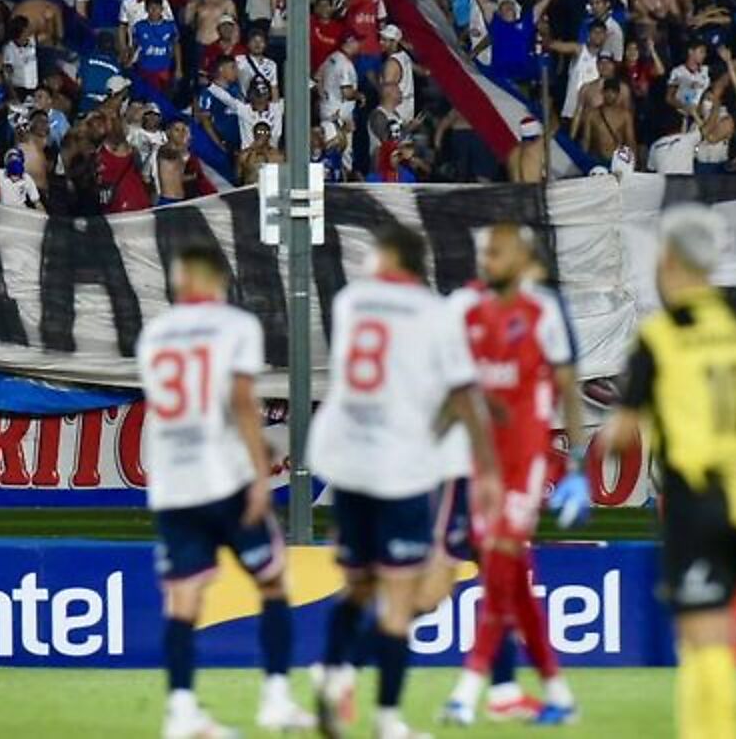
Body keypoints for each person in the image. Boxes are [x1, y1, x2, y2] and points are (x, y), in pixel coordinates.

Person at [601, 206, 736, 739]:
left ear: (669, 260)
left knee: (702, 630)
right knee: (713, 619)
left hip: (696, 499)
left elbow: (620, 433)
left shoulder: (661, 337)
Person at [307, 223, 499, 739]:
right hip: (401, 468)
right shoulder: (436, 315)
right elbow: (462, 397)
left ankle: (334, 669)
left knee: (358, 585)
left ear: (390, 259)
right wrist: (486, 467)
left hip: (349, 463)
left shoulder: (351, 303)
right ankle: (387, 719)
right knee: (400, 598)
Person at [136, 241, 314, 739]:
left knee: (183, 597)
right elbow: (240, 402)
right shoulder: (235, 326)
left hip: (173, 484)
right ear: (219, 280)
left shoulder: (155, 334)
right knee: (272, 582)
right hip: (223, 478)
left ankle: (181, 711)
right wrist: (259, 474)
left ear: (180, 280)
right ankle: (276, 699)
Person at [440, 224, 584, 728]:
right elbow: (457, 389)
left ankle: (466, 691)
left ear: (522, 257)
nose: (487, 260)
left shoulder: (544, 310)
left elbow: (568, 384)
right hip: (481, 462)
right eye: (484, 252)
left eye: (497, 253)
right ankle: (558, 694)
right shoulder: (464, 308)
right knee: (512, 581)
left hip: (525, 462)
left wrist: (577, 464)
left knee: (500, 569)